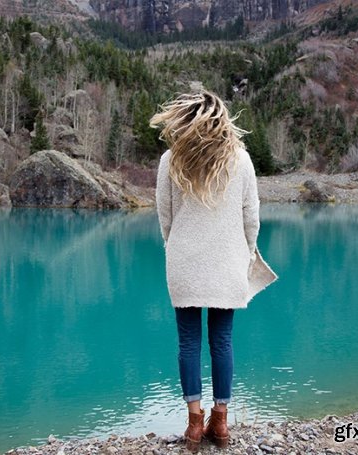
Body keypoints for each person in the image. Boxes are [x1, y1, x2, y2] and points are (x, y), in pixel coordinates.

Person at [151, 90, 278, 452]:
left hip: (184, 262)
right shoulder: (240, 159)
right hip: (227, 261)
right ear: (221, 118)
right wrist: (246, 252)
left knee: (188, 342)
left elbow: (165, 216)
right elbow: (251, 217)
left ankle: (194, 424)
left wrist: (175, 247)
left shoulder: (170, 160)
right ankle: (220, 422)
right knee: (222, 341)